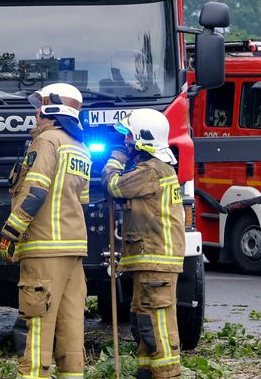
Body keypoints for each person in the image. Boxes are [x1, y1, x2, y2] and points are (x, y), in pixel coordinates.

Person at [0, 82, 90, 379]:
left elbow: (35, 191)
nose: (35, 113)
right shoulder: (80, 147)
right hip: (74, 250)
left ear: (53, 109)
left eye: (40, 106)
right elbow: (83, 200)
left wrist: (10, 233)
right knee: (71, 326)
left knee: (36, 326)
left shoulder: (47, 142)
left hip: (44, 248)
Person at [101, 109, 184, 379]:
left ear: (142, 139)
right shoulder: (157, 170)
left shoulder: (149, 171)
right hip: (152, 259)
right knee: (143, 319)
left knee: (156, 323)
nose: (124, 142)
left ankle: (166, 374)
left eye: (128, 137)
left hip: (155, 259)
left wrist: (115, 158)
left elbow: (112, 186)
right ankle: (147, 371)